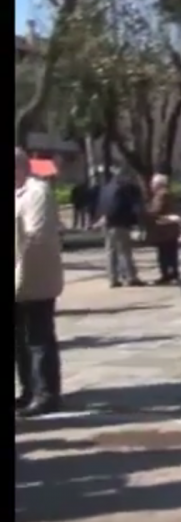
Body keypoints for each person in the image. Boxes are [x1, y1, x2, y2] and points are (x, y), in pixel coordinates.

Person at [16, 148, 66, 417]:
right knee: (20, 340)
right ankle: (29, 390)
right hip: (18, 277)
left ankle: (46, 394)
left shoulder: (37, 192)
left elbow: (35, 236)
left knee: (38, 338)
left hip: (34, 278)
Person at [95, 167, 145, 288]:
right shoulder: (126, 188)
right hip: (120, 222)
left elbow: (101, 205)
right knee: (124, 251)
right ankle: (130, 277)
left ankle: (113, 278)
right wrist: (138, 224)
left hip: (107, 222)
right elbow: (134, 207)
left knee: (110, 252)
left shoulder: (106, 188)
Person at [145, 174, 181, 285]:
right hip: (169, 229)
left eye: (153, 183)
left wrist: (146, 212)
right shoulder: (166, 194)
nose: (151, 185)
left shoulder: (162, 195)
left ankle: (167, 275)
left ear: (159, 184)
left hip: (165, 230)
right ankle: (172, 274)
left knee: (165, 253)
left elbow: (157, 210)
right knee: (170, 253)